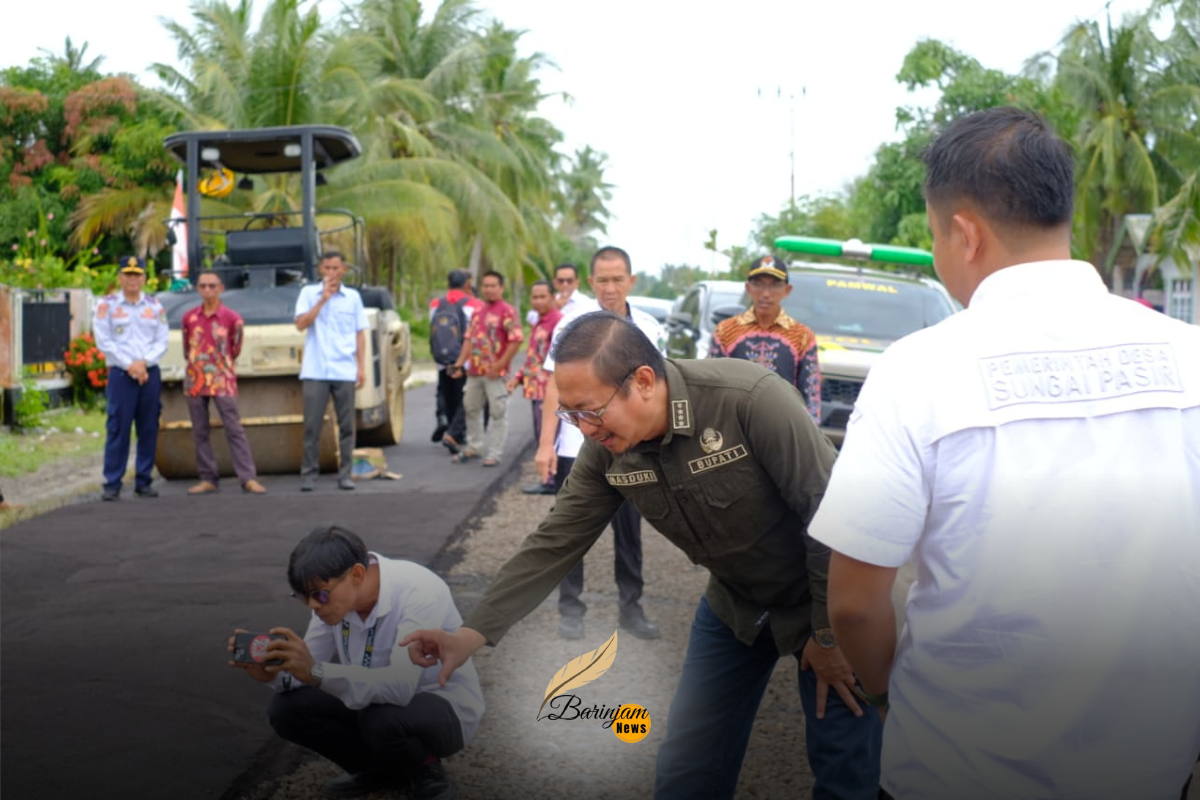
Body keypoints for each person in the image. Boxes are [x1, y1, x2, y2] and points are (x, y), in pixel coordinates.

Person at [810, 107, 1200, 800]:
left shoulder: (918, 371)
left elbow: (855, 605)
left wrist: (890, 695)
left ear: (964, 233)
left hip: (955, 766)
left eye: (933, 237)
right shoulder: (1189, 358)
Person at [404, 313, 883, 799]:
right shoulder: (607, 449)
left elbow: (833, 520)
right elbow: (555, 540)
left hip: (830, 596)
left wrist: (828, 635)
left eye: (590, 410)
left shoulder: (749, 400)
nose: (584, 429)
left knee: (843, 761)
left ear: (645, 382)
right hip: (736, 602)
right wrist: (469, 634)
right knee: (689, 761)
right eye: (570, 415)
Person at [228, 525, 484, 800]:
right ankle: (378, 770)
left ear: (357, 574)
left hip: (443, 706)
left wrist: (315, 671)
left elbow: (400, 688)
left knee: (381, 718)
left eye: (319, 595)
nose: (313, 606)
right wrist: (273, 675)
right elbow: (307, 668)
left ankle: (426, 770)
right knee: (287, 709)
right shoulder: (330, 602)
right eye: (303, 597)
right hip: (374, 700)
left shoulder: (418, 590)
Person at [536, 246, 664, 642]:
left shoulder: (648, 328)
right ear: (591, 283)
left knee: (630, 532)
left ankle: (631, 608)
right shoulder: (570, 328)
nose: (610, 287)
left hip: (630, 447)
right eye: (603, 280)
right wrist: (546, 446)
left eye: (618, 279)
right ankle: (570, 610)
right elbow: (553, 389)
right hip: (578, 446)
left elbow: (658, 390)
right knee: (571, 530)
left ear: (631, 281)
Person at [710, 255, 822, 426]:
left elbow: (811, 392)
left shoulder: (802, 336)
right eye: (758, 284)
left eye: (775, 285)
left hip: (783, 425)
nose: (766, 293)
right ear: (748, 288)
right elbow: (712, 384)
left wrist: (811, 433)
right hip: (735, 424)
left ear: (787, 290)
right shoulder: (726, 330)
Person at [181, 270, 266, 495]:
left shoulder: (232, 318)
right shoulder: (189, 317)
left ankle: (247, 477)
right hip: (196, 379)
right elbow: (186, 348)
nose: (207, 290)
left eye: (212, 286)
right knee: (200, 430)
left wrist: (219, 366)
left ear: (221, 288)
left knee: (234, 428)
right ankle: (207, 477)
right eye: (203, 286)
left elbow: (235, 348)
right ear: (197, 289)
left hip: (222, 379)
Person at [94, 256, 169, 501]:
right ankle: (112, 482)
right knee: (118, 427)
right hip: (121, 374)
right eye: (128, 274)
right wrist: (130, 366)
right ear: (120, 277)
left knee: (148, 427)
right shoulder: (107, 305)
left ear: (144, 278)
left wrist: (143, 363)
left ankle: (144, 480)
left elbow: (162, 340)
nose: (132, 280)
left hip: (149, 372)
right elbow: (104, 341)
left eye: (137, 275)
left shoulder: (155, 306)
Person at [294, 251, 368, 492]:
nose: (331, 273)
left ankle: (345, 474)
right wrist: (322, 299)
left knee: (347, 426)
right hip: (316, 368)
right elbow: (301, 324)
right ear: (320, 270)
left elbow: (360, 333)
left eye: (336, 268)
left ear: (343, 269)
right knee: (312, 425)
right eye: (327, 268)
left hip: (344, 369)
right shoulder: (308, 293)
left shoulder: (353, 298)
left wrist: (361, 367)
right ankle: (308, 474)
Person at [445, 270, 522, 468]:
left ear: (501, 288)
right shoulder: (478, 311)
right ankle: (474, 447)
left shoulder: (508, 311)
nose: (488, 289)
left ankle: (494, 453)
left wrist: (498, 366)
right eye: (485, 285)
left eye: (493, 285)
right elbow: (469, 340)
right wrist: (460, 364)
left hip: (496, 374)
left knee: (498, 412)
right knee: (471, 408)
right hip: (475, 372)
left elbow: (516, 341)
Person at [506, 279, 562, 495]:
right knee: (541, 434)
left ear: (552, 297)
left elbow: (556, 362)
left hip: (548, 390)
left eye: (542, 297)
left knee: (548, 435)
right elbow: (534, 357)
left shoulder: (558, 322)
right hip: (534, 388)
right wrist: (518, 378)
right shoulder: (539, 322)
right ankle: (550, 479)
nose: (538, 301)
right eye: (535, 297)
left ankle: (552, 481)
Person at [429, 270, 483, 450]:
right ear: (467, 284)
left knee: (447, 393)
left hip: (442, 358)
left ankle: (449, 427)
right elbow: (476, 333)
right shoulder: (474, 304)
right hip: (465, 359)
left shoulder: (436, 304)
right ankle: (454, 433)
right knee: (465, 397)